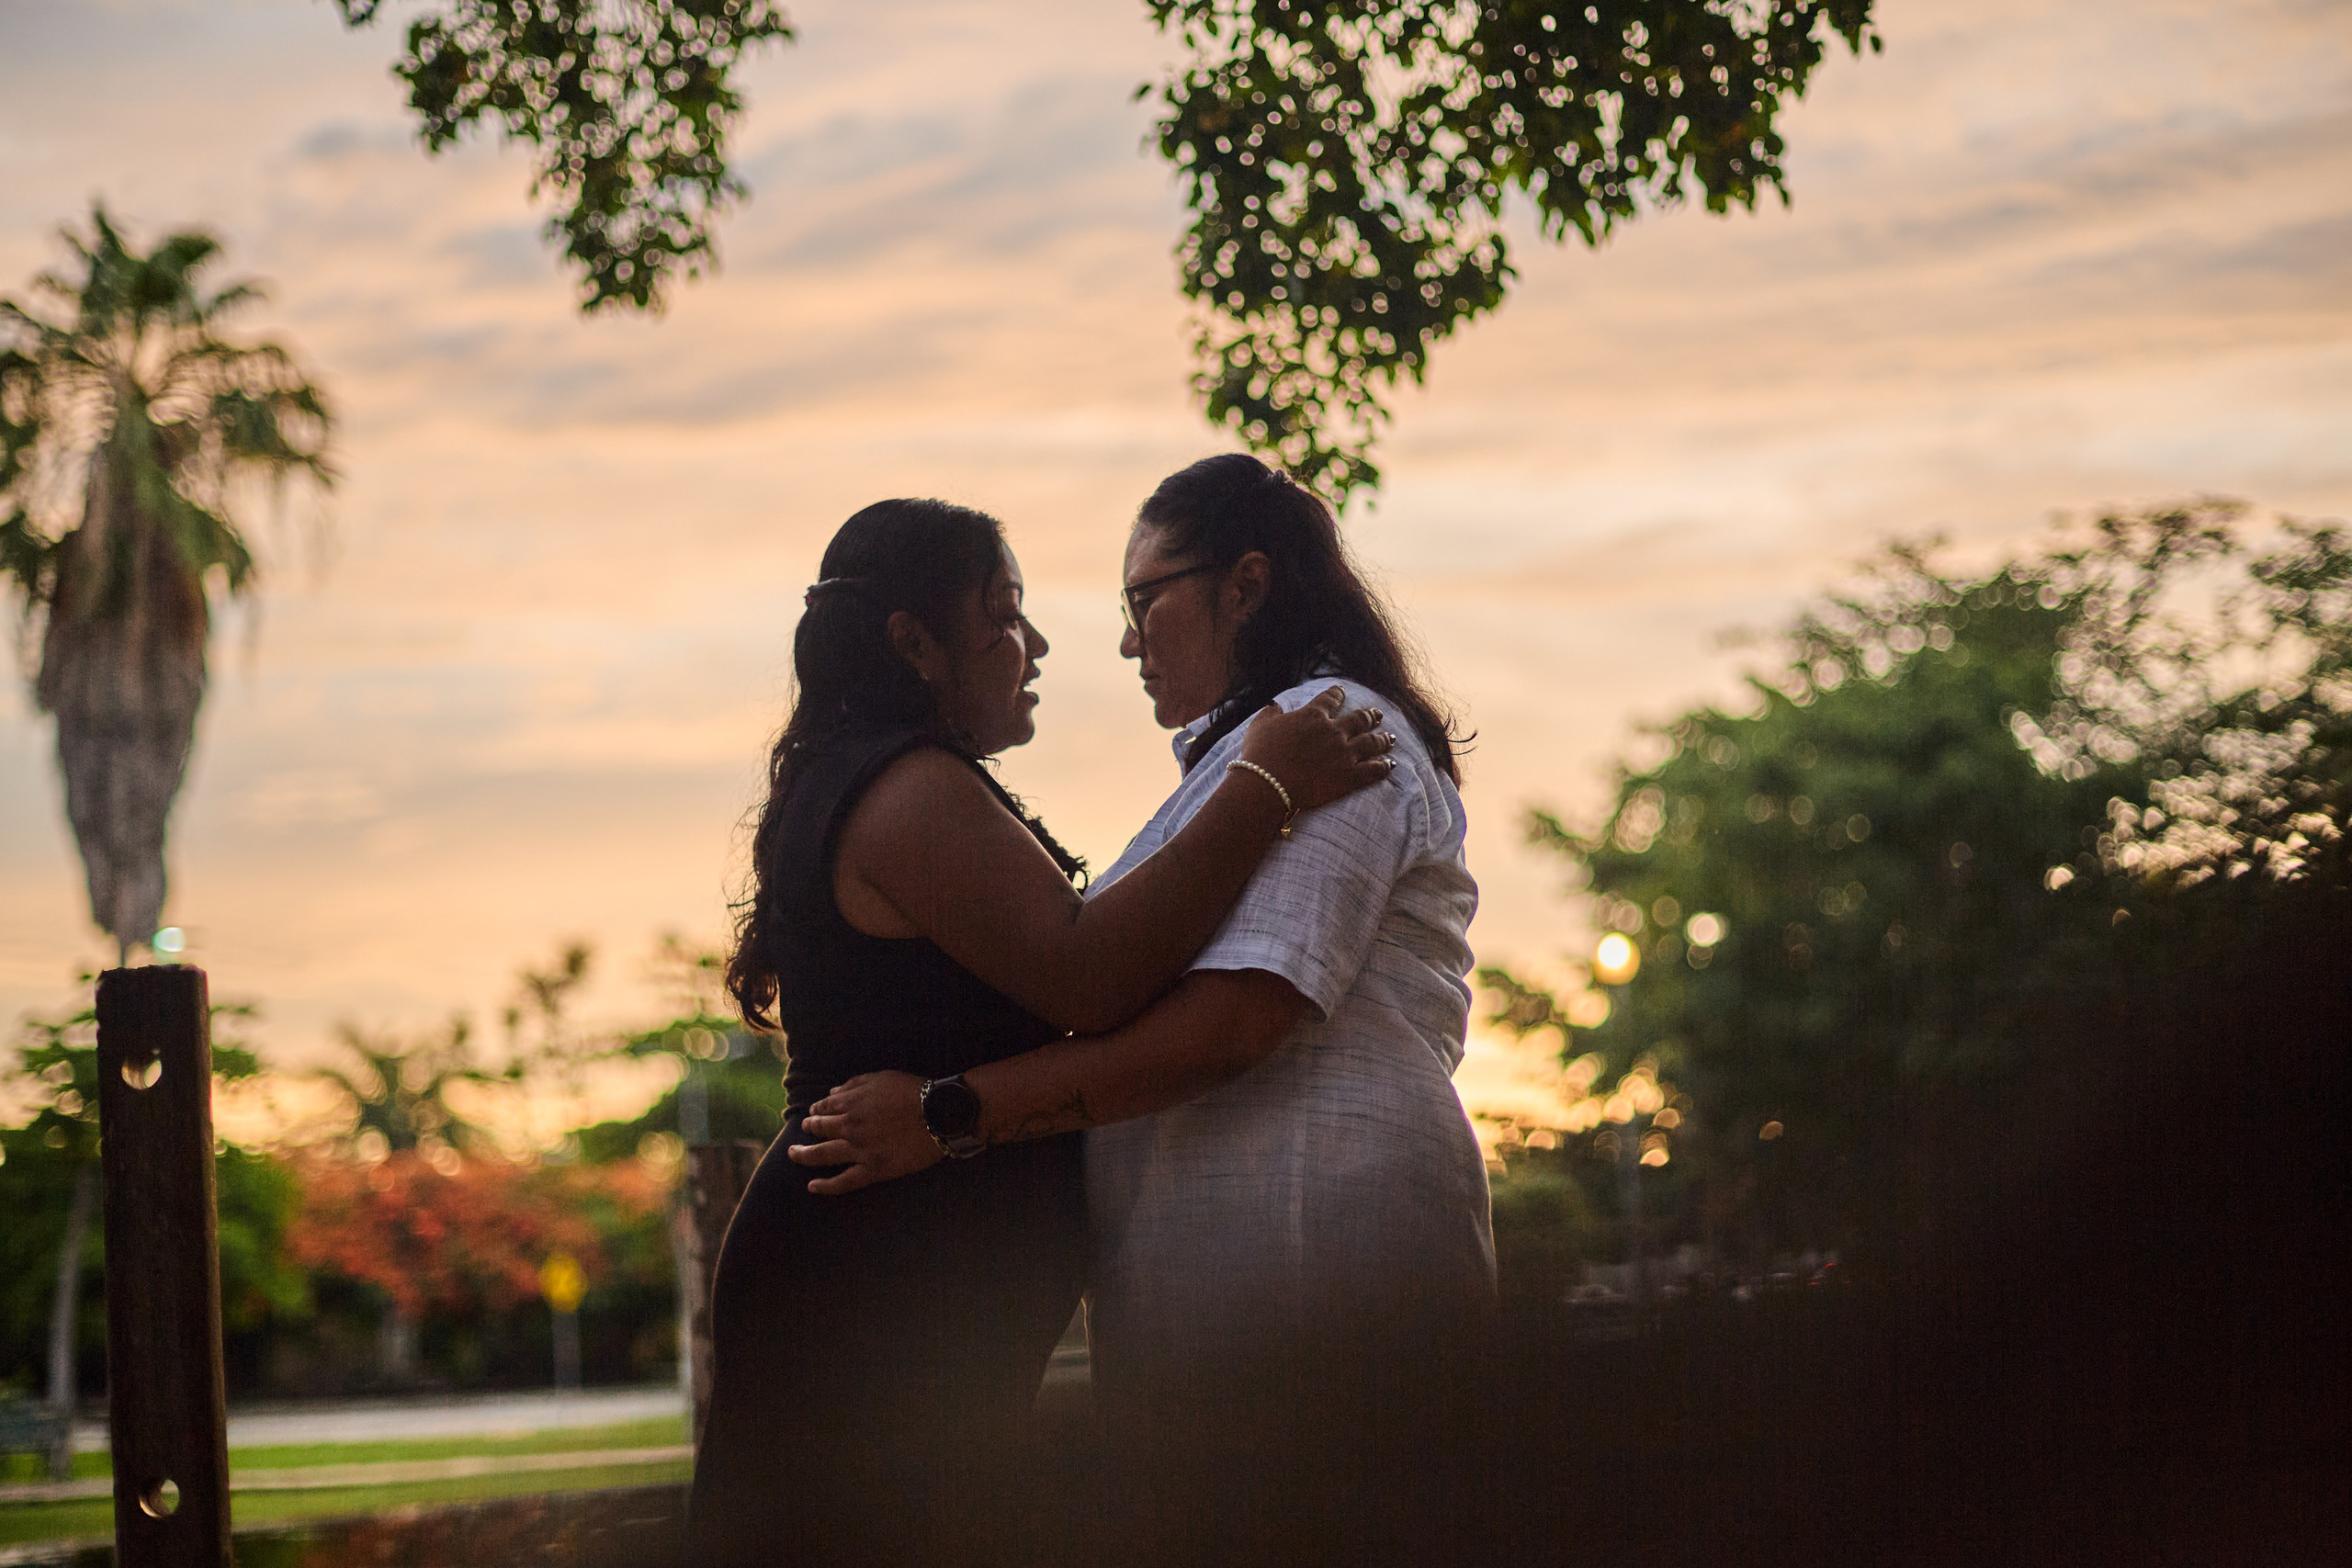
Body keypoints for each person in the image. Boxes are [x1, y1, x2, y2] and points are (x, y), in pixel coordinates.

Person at [796, 455, 1496, 1564]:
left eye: (1141, 602)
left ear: (1245, 585)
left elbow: (1237, 1021)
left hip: (1312, 1250)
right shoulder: (1256, 766)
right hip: (1226, 1296)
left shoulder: (1328, 733)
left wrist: (948, 1112)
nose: (1124, 643)